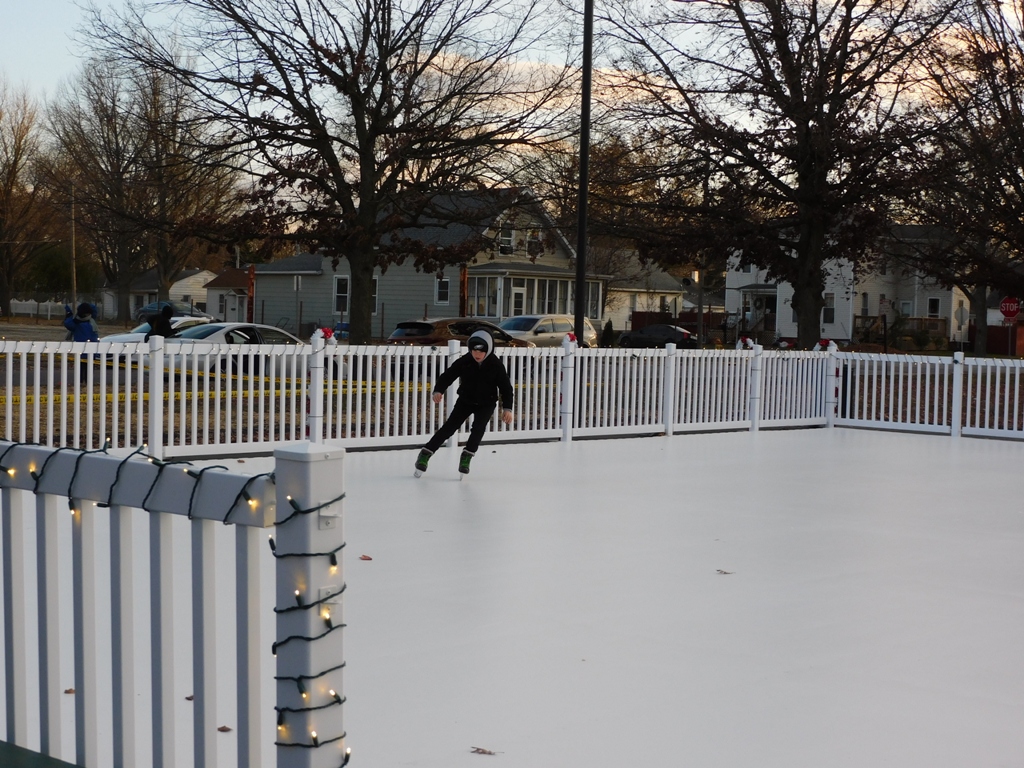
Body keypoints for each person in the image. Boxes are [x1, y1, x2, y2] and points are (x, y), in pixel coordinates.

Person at [415, 329, 514, 476]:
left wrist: (507, 408)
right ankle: (426, 453)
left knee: (478, 429)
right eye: (474, 350)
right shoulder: (465, 361)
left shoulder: (496, 365)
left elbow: (506, 388)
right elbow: (448, 376)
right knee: (449, 427)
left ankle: (467, 455)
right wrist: (438, 390)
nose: (477, 354)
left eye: (481, 351)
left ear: (488, 350)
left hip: (486, 403)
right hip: (465, 401)